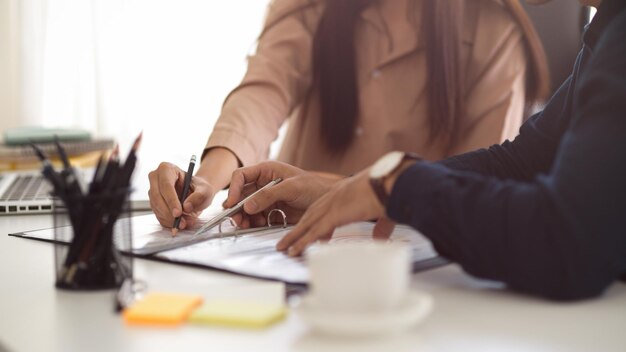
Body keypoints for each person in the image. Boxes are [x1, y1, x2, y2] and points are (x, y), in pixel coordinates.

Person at [224, 0, 626, 301]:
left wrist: (399, 185)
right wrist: (363, 189)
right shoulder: (607, 30)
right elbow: (521, 161)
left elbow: (569, 245)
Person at [148, 0, 549, 232]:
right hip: (281, 244)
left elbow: (471, 192)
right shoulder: (312, 7)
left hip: (403, 267)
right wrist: (209, 178)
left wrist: (342, 192)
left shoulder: (496, 35)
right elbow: (263, 91)